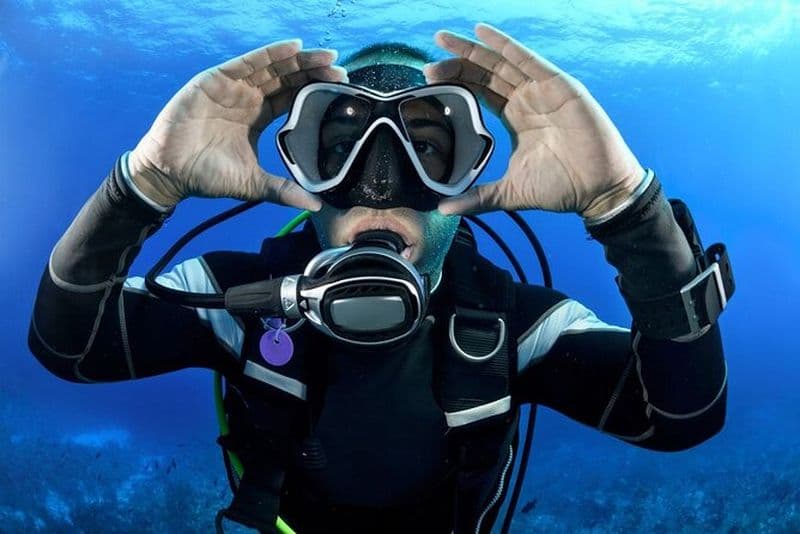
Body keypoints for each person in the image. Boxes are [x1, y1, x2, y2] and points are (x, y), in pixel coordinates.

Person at [28, 23, 732, 534]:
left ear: (471, 174)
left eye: (429, 149)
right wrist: (144, 183)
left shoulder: (513, 323)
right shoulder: (238, 301)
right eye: (339, 150)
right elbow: (72, 346)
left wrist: (627, 209)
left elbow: (678, 417)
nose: (380, 186)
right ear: (301, 170)